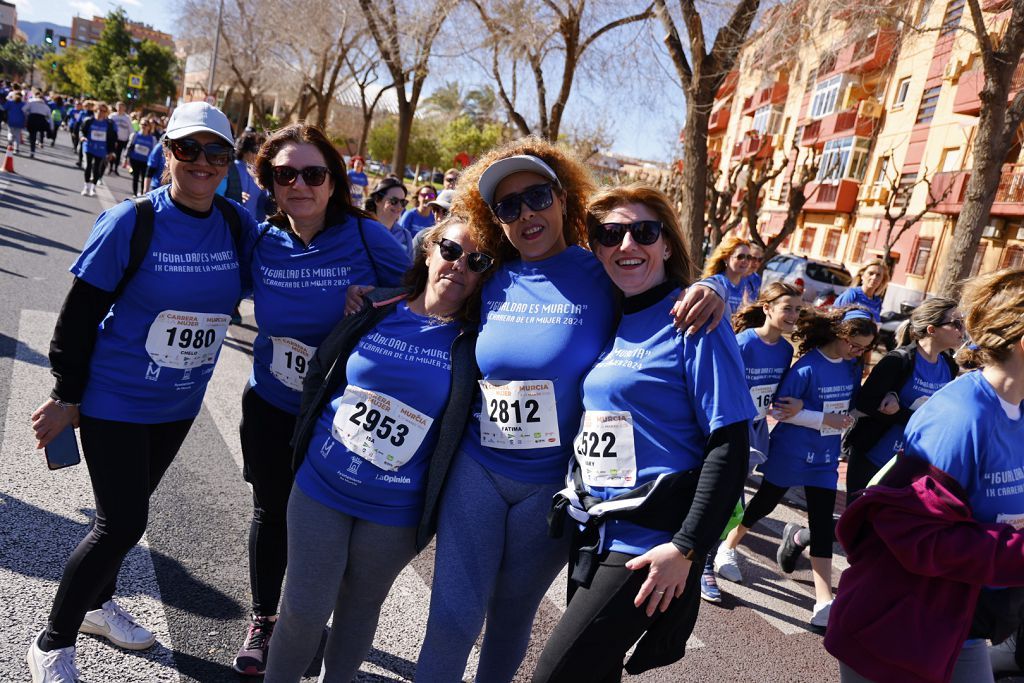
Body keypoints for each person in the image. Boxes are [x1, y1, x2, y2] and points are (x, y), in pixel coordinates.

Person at [415, 139, 725, 682]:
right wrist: (375, 298)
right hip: (477, 470)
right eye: (508, 207)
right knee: (453, 617)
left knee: (512, 619)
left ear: (563, 198)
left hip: (553, 490)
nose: (526, 213)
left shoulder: (601, 270)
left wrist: (715, 286)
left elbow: (660, 282)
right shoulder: (493, 274)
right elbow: (430, 288)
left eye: (536, 196)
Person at [26, 102, 252, 683]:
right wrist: (67, 394)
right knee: (121, 524)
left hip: (177, 404)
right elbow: (77, 319)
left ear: (230, 161)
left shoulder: (236, 224)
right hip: (115, 398)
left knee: (123, 515)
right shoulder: (132, 220)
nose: (202, 163)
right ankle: (52, 643)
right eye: (187, 149)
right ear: (166, 151)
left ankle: (99, 608)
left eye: (216, 152)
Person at [531, 184, 754, 682]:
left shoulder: (693, 321)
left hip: (650, 543)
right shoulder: (610, 314)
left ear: (667, 244)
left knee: (555, 675)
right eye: (610, 234)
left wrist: (688, 548)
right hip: (595, 530)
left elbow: (730, 447)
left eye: (644, 232)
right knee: (596, 673)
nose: (626, 244)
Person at [263, 218, 488, 682]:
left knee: (360, 608)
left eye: (477, 261)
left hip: (395, 510)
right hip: (321, 485)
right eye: (450, 250)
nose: (458, 266)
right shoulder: (375, 303)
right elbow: (323, 370)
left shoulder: (479, 340)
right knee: (304, 611)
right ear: (428, 250)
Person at [232, 123, 411, 676]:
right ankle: (264, 621)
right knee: (270, 509)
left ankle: (307, 621)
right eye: (286, 175)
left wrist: (377, 295)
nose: (300, 185)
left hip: (339, 414)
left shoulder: (365, 237)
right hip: (270, 402)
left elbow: (429, 294)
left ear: (334, 182)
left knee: (322, 521)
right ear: (270, 183)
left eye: (314, 174)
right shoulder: (262, 239)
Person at [824, 268, 1024, 683]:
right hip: (898, 628)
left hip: (959, 623)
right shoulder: (960, 416)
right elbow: (914, 534)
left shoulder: (1018, 410)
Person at [718, 306, 877, 627]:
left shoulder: (850, 368)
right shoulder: (806, 368)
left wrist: (849, 417)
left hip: (825, 457)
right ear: (839, 335)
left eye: (864, 349)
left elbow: (847, 408)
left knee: (821, 524)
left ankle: (822, 600)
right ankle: (728, 546)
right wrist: (822, 418)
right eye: (855, 345)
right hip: (791, 452)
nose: (858, 353)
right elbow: (780, 408)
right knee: (763, 504)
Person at [703, 282, 804, 601]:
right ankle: (707, 563)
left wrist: (786, 405)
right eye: (787, 308)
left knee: (731, 499)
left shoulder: (786, 350)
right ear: (768, 308)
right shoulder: (744, 342)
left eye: (798, 309)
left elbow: (772, 394)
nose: (793, 315)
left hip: (756, 430)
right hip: (730, 429)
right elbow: (720, 385)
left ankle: (713, 555)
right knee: (727, 498)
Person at [844, 297, 962, 495]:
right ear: (932, 330)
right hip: (874, 456)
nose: (962, 328)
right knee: (856, 522)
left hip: (911, 462)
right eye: (956, 323)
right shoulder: (898, 360)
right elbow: (865, 402)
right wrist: (904, 415)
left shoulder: (949, 366)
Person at [701, 235, 757, 313]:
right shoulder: (715, 282)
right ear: (726, 259)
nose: (745, 260)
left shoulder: (750, 285)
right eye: (740, 256)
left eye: (749, 257)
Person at [365, 177, 413, 256]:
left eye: (403, 202)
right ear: (377, 200)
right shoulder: (360, 229)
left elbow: (408, 266)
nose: (399, 206)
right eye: (394, 201)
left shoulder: (405, 236)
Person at [80, 103, 117, 197]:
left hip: (101, 149)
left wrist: (111, 152)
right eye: (99, 110)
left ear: (106, 113)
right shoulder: (89, 120)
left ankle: (93, 188)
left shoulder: (109, 124)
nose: (100, 112)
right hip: (89, 146)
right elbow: (82, 130)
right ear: (95, 110)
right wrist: (82, 137)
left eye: (103, 111)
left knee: (97, 168)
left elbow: (112, 139)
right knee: (88, 165)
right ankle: (86, 187)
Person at [834, 258, 889, 323]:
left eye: (878, 275)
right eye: (871, 273)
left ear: (882, 280)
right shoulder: (852, 294)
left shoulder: (877, 302)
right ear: (862, 275)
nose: (874, 277)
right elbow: (834, 317)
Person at [126, 119, 158, 196]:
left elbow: (154, 151)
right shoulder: (135, 135)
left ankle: (143, 193)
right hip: (134, 159)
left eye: (145, 125)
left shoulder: (152, 139)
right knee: (135, 177)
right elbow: (129, 147)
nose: (143, 126)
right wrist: (126, 158)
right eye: (142, 124)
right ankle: (135, 193)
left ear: (149, 127)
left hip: (146, 162)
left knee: (144, 178)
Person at [23, 90, 52, 158]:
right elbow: (50, 118)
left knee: (32, 136)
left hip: (32, 120)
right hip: (41, 121)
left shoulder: (31, 102)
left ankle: (32, 151)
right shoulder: (46, 106)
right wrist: (51, 127)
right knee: (41, 132)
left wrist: (28, 115)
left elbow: (24, 109)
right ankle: (40, 142)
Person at [109, 102, 133, 175]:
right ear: (116, 107)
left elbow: (131, 129)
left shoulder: (127, 118)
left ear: (124, 108)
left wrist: (130, 139)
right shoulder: (112, 116)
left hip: (123, 140)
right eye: (118, 107)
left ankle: (116, 169)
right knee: (112, 154)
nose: (120, 108)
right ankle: (110, 168)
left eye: (121, 107)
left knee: (119, 155)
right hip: (113, 139)